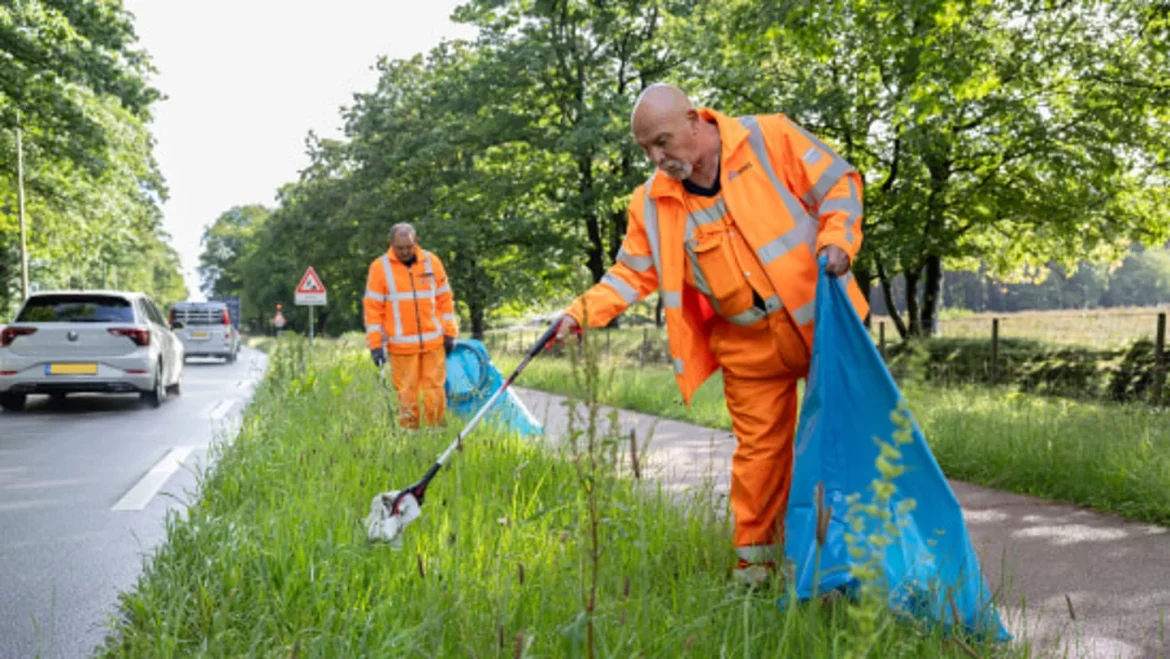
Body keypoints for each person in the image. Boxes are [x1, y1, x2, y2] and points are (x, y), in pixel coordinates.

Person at [554, 83, 870, 587]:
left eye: (662, 141)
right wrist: (577, 314)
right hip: (747, 346)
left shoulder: (769, 138)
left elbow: (840, 184)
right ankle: (756, 570)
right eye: (646, 149)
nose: (657, 158)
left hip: (824, 326)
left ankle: (857, 566)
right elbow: (630, 274)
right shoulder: (651, 203)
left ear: (694, 120)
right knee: (759, 459)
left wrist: (837, 241)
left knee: (843, 442)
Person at [364, 223, 459, 429]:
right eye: (400, 248)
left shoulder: (432, 262)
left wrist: (450, 332)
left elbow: (445, 300)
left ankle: (436, 431)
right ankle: (410, 436)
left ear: (416, 242)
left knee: (435, 390)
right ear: (391, 244)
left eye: (409, 246)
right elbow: (373, 310)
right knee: (406, 393)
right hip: (401, 347)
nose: (405, 251)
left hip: (433, 342)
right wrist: (375, 345)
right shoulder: (379, 268)